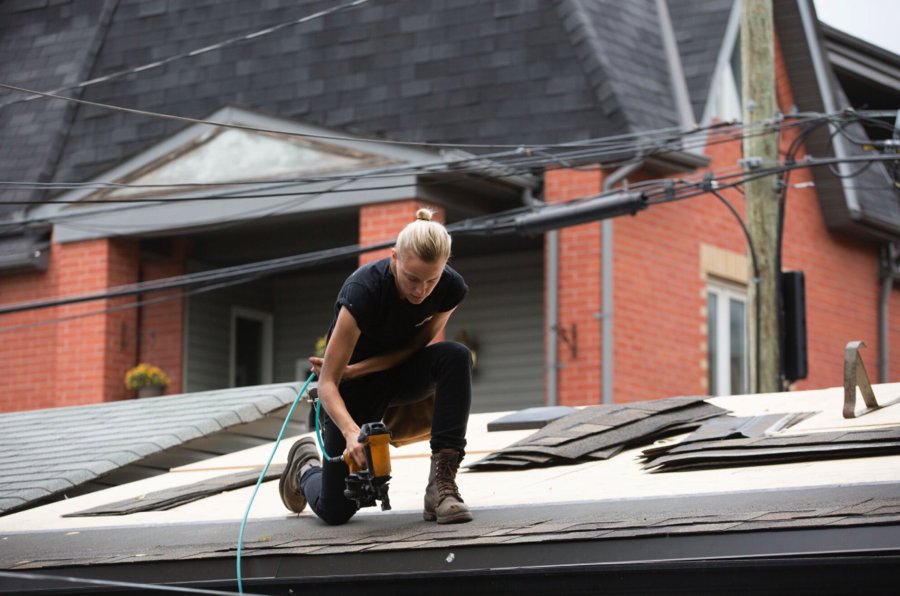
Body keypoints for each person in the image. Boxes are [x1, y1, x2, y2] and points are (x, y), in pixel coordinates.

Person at [278, 208, 474, 525]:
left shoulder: (450, 288)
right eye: (412, 279)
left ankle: (442, 487)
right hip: (351, 390)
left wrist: (359, 368)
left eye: (431, 280)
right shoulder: (363, 292)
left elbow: (415, 347)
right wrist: (351, 431)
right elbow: (327, 384)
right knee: (337, 510)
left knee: (455, 355)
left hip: (398, 374)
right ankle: (304, 466)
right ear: (394, 257)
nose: (421, 291)